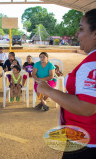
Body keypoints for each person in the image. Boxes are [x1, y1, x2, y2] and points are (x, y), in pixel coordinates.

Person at [36, 9, 96, 158]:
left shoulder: (91, 65)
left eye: (81, 29)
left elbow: (87, 107)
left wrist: (49, 91)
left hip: (86, 143)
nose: (77, 34)